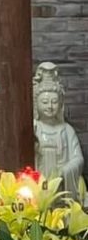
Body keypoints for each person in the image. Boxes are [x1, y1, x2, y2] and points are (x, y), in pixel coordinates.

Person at [33, 62, 84, 196]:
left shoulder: (67, 130)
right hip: (39, 184)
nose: (50, 106)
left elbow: (78, 158)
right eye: (44, 102)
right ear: (36, 103)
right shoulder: (34, 128)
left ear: (60, 104)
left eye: (54, 102)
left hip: (62, 184)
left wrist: (66, 171)